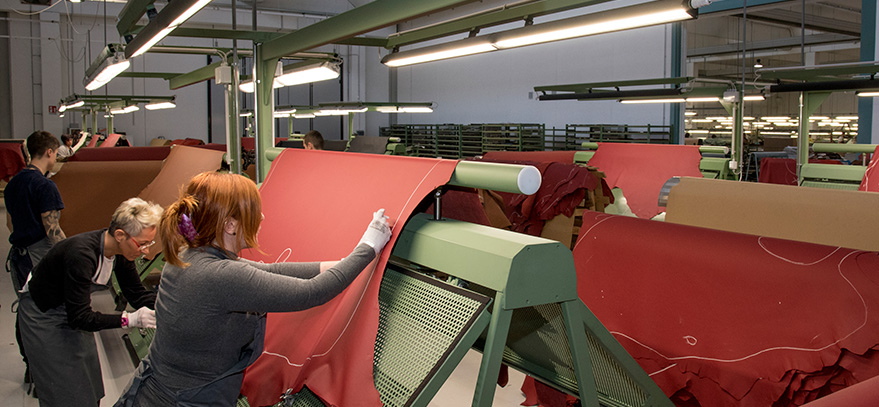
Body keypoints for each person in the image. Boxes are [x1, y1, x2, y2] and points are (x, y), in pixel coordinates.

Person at [115, 171, 392, 407]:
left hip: (158, 389)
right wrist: (368, 247)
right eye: (252, 211)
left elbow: (269, 272)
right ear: (230, 225)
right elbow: (312, 292)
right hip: (184, 399)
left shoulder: (190, 254)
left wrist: (344, 263)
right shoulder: (220, 275)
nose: (261, 216)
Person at [18, 197, 162, 407]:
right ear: (120, 235)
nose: (146, 251)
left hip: (71, 309)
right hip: (43, 314)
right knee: (64, 391)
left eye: (149, 244)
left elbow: (136, 294)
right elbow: (80, 318)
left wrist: (170, 305)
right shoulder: (82, 254)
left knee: (88, 383)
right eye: (142, 244)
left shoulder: (121, 253)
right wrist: (129, 319)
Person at [3, 130, 66, 392]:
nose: (56, 158)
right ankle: (44, 372)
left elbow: (10, 223)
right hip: (38, 256)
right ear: (49, 151)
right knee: (44, 314)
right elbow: (52, 229)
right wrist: (69, 253)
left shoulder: (14, 183)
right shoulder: (44, 186)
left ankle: (30, 365)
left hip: (19, 256)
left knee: (26, 311)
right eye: (56, 153)